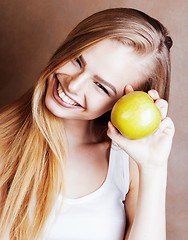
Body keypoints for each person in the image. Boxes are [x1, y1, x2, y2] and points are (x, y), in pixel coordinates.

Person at [0, 8, 175, 240]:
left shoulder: (127, 164)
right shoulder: (5, 141)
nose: (74, 85)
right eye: (77, 60)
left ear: (123, 102)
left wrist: (154, 168)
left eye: (101, 86)